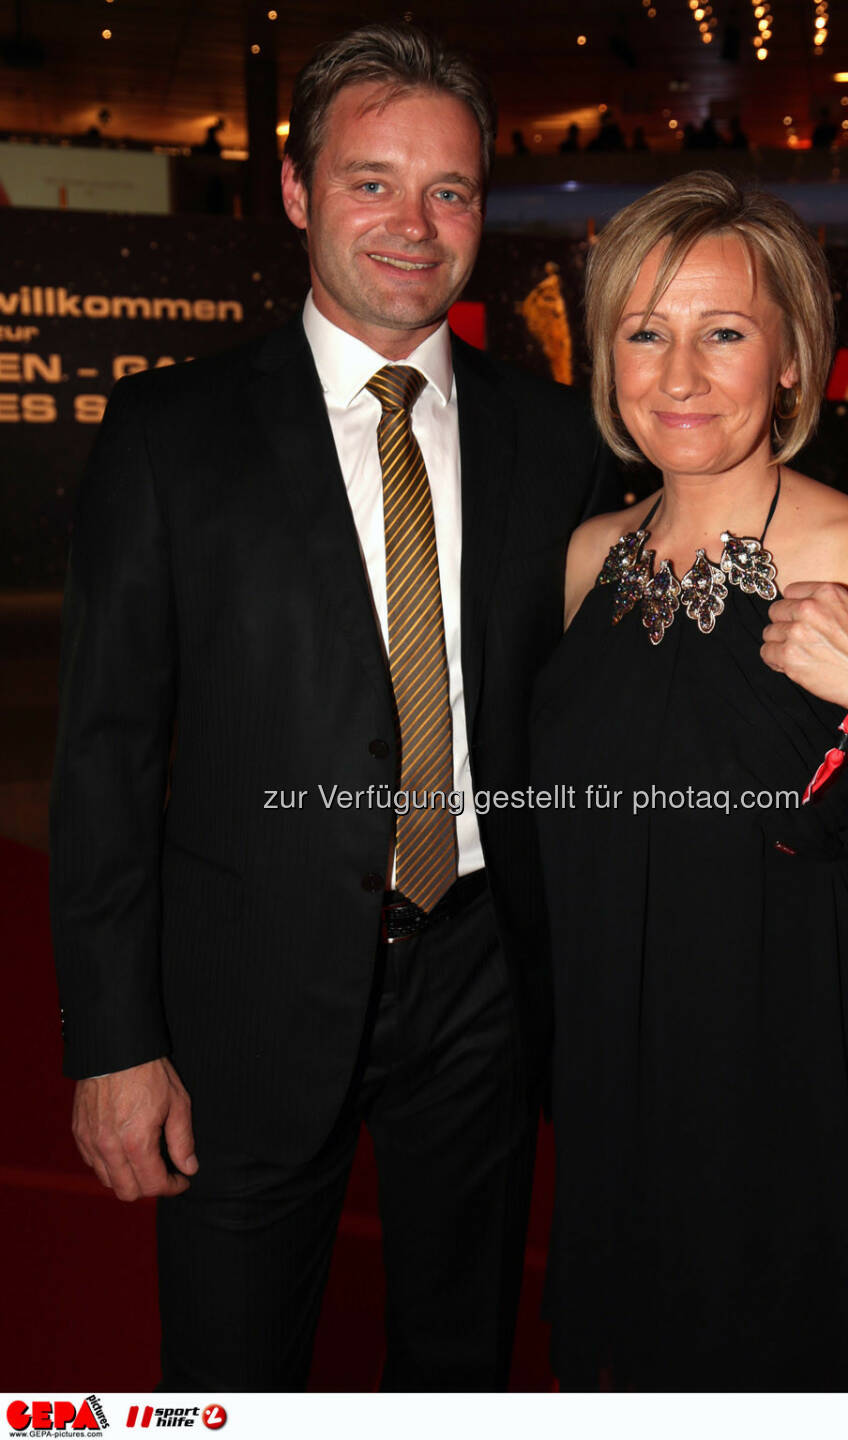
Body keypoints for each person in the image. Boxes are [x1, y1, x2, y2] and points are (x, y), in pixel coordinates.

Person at [50, 23, 618, 1392]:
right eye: (372, 182)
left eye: (451, 191)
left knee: (459, 1360)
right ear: (297, 194)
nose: (414, 226)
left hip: (486, 986)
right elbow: (107, 758)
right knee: (229, 1371)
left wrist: (829, 830)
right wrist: (115, 1044)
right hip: (243, 998)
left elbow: (635, 698)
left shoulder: (557, 441)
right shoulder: (166, 435)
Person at [530, 171, 848, 1390]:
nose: (680, 375)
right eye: (644, 333)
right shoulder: (585, 559)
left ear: (793, 360)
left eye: (725, 333)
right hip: (609, 1081)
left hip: (779, 1079)